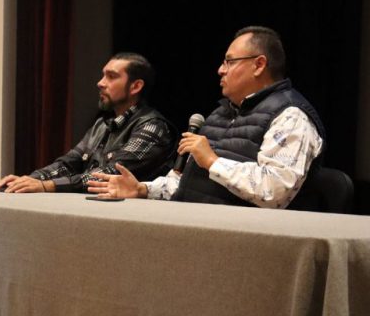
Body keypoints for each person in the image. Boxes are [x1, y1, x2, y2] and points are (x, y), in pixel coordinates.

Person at [88, 26, 325, 208]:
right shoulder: (220, 114)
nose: (220, 70)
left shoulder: (291, 116)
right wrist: (142, 189)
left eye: (229, 61)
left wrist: (212, 160)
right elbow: (184, 184)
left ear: (259, 65)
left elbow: (274, 191)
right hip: (194, 225)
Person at [0, 53, 175, 193]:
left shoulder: (153, 126)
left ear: (136, 86)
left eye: (111, 76)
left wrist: (46, 185)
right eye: (103, 76)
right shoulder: (102, 125)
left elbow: (109, 174)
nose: (100, 83)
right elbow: (68, 163)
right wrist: (30, 180)